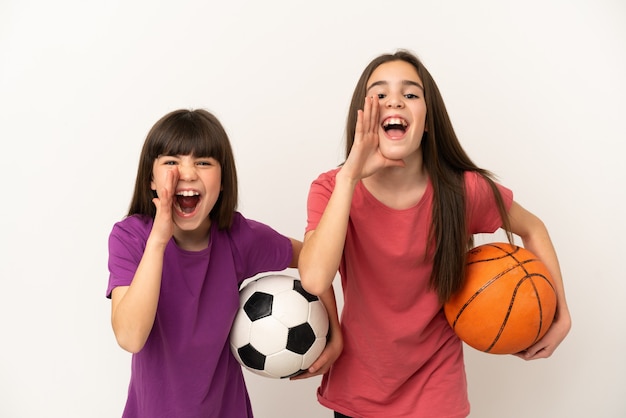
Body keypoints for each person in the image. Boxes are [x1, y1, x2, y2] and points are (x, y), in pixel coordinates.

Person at [298, 50, 572, 418]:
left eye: (410, 94)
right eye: (379, 94)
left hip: (436, 388)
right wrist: (350, 174)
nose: (394, 100)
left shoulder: (463, 190)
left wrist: (561, 314)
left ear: (427, 122)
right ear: (362, 119)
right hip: (358, 388)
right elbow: (315, 277)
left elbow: (532, 228)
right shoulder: (333, 187)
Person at [105, 109, 330, 417]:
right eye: (171, 161)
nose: (187, 172)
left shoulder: (239, 238)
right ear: (151, 180)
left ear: (223, 181)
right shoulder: (131, 237)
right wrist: (158, 241)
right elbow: (130, 337)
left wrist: (336, 333)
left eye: (203, 162)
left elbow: (318, 259)